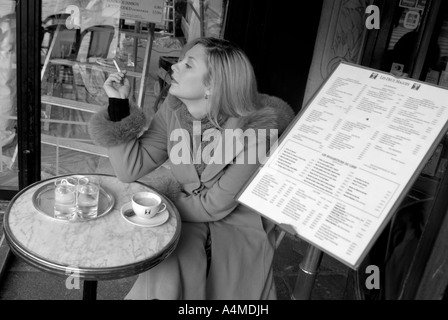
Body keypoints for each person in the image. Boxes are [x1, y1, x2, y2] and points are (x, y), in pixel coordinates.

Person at [88, 37, 295, 299]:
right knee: (164, 256)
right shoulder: (174, 111)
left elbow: (215, 205)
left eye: (188, 65)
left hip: (235, 224)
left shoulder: (254, 132)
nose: (175, 66)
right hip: (185, 211)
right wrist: (118, 105)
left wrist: (155, 208)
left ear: (212, 85)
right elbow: (130, 168)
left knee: (172, 253)